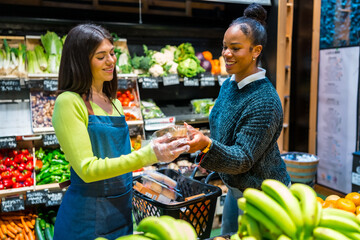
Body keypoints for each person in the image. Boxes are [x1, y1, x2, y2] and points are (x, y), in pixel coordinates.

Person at [51, 23, 189, 240]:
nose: (111, 61)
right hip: (87, 217)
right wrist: (149, 154)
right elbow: (87, 169)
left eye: (112, 53)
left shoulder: (114, 102)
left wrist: (160, 150)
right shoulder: (69, 102)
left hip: (121, 212)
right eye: (101, 56)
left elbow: (120, 157)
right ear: (80, 61)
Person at [185, 3, 291, 235]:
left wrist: (207, 145)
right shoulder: (229, 85)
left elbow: (243, 158)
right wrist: (202, 147)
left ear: (256, 51)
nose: (226, 54)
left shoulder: (264, 101)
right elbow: (224, 134)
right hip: (235, 188)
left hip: (263, 196)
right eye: (224, 47)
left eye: (235, 48)